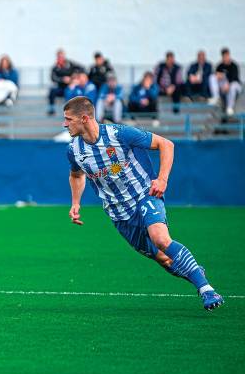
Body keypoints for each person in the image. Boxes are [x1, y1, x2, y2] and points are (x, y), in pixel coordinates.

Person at [63, 96, 223, 311]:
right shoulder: (74, 150)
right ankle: (195, 273)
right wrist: (76, 203)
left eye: (68, 119)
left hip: (144, 195)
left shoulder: (119, 134)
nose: (65, 124)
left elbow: (166, 144)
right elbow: (76, 175)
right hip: (119, 214)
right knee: (165, 260)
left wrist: (162, 179)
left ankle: (206, 289)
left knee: (161, 239)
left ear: (84, 118)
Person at [48, 49, 82, 115]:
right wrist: (62, 79)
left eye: (62, 57)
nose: (60, 58)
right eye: (59, 57)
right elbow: (53, 78)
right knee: (52, 91)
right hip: (61, 87)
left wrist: (74, 76)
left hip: (71, 87)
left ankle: (74, 110)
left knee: (75, 92)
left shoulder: (70, 63)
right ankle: (51, 109)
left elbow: (81, 68)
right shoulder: (55, 67)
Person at [209, 48, 241, 116]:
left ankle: (230, 107)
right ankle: (216, 97)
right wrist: (218, 75)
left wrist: (227, 83)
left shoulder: (234, 65)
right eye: (224, 56)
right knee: (212, 77)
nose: (226, 57)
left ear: (229, 55)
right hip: (224, 85)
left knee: (232, 86)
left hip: (235, 85)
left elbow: (234, 78)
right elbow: (216, 74)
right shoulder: (220, 66)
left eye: (227, 56)